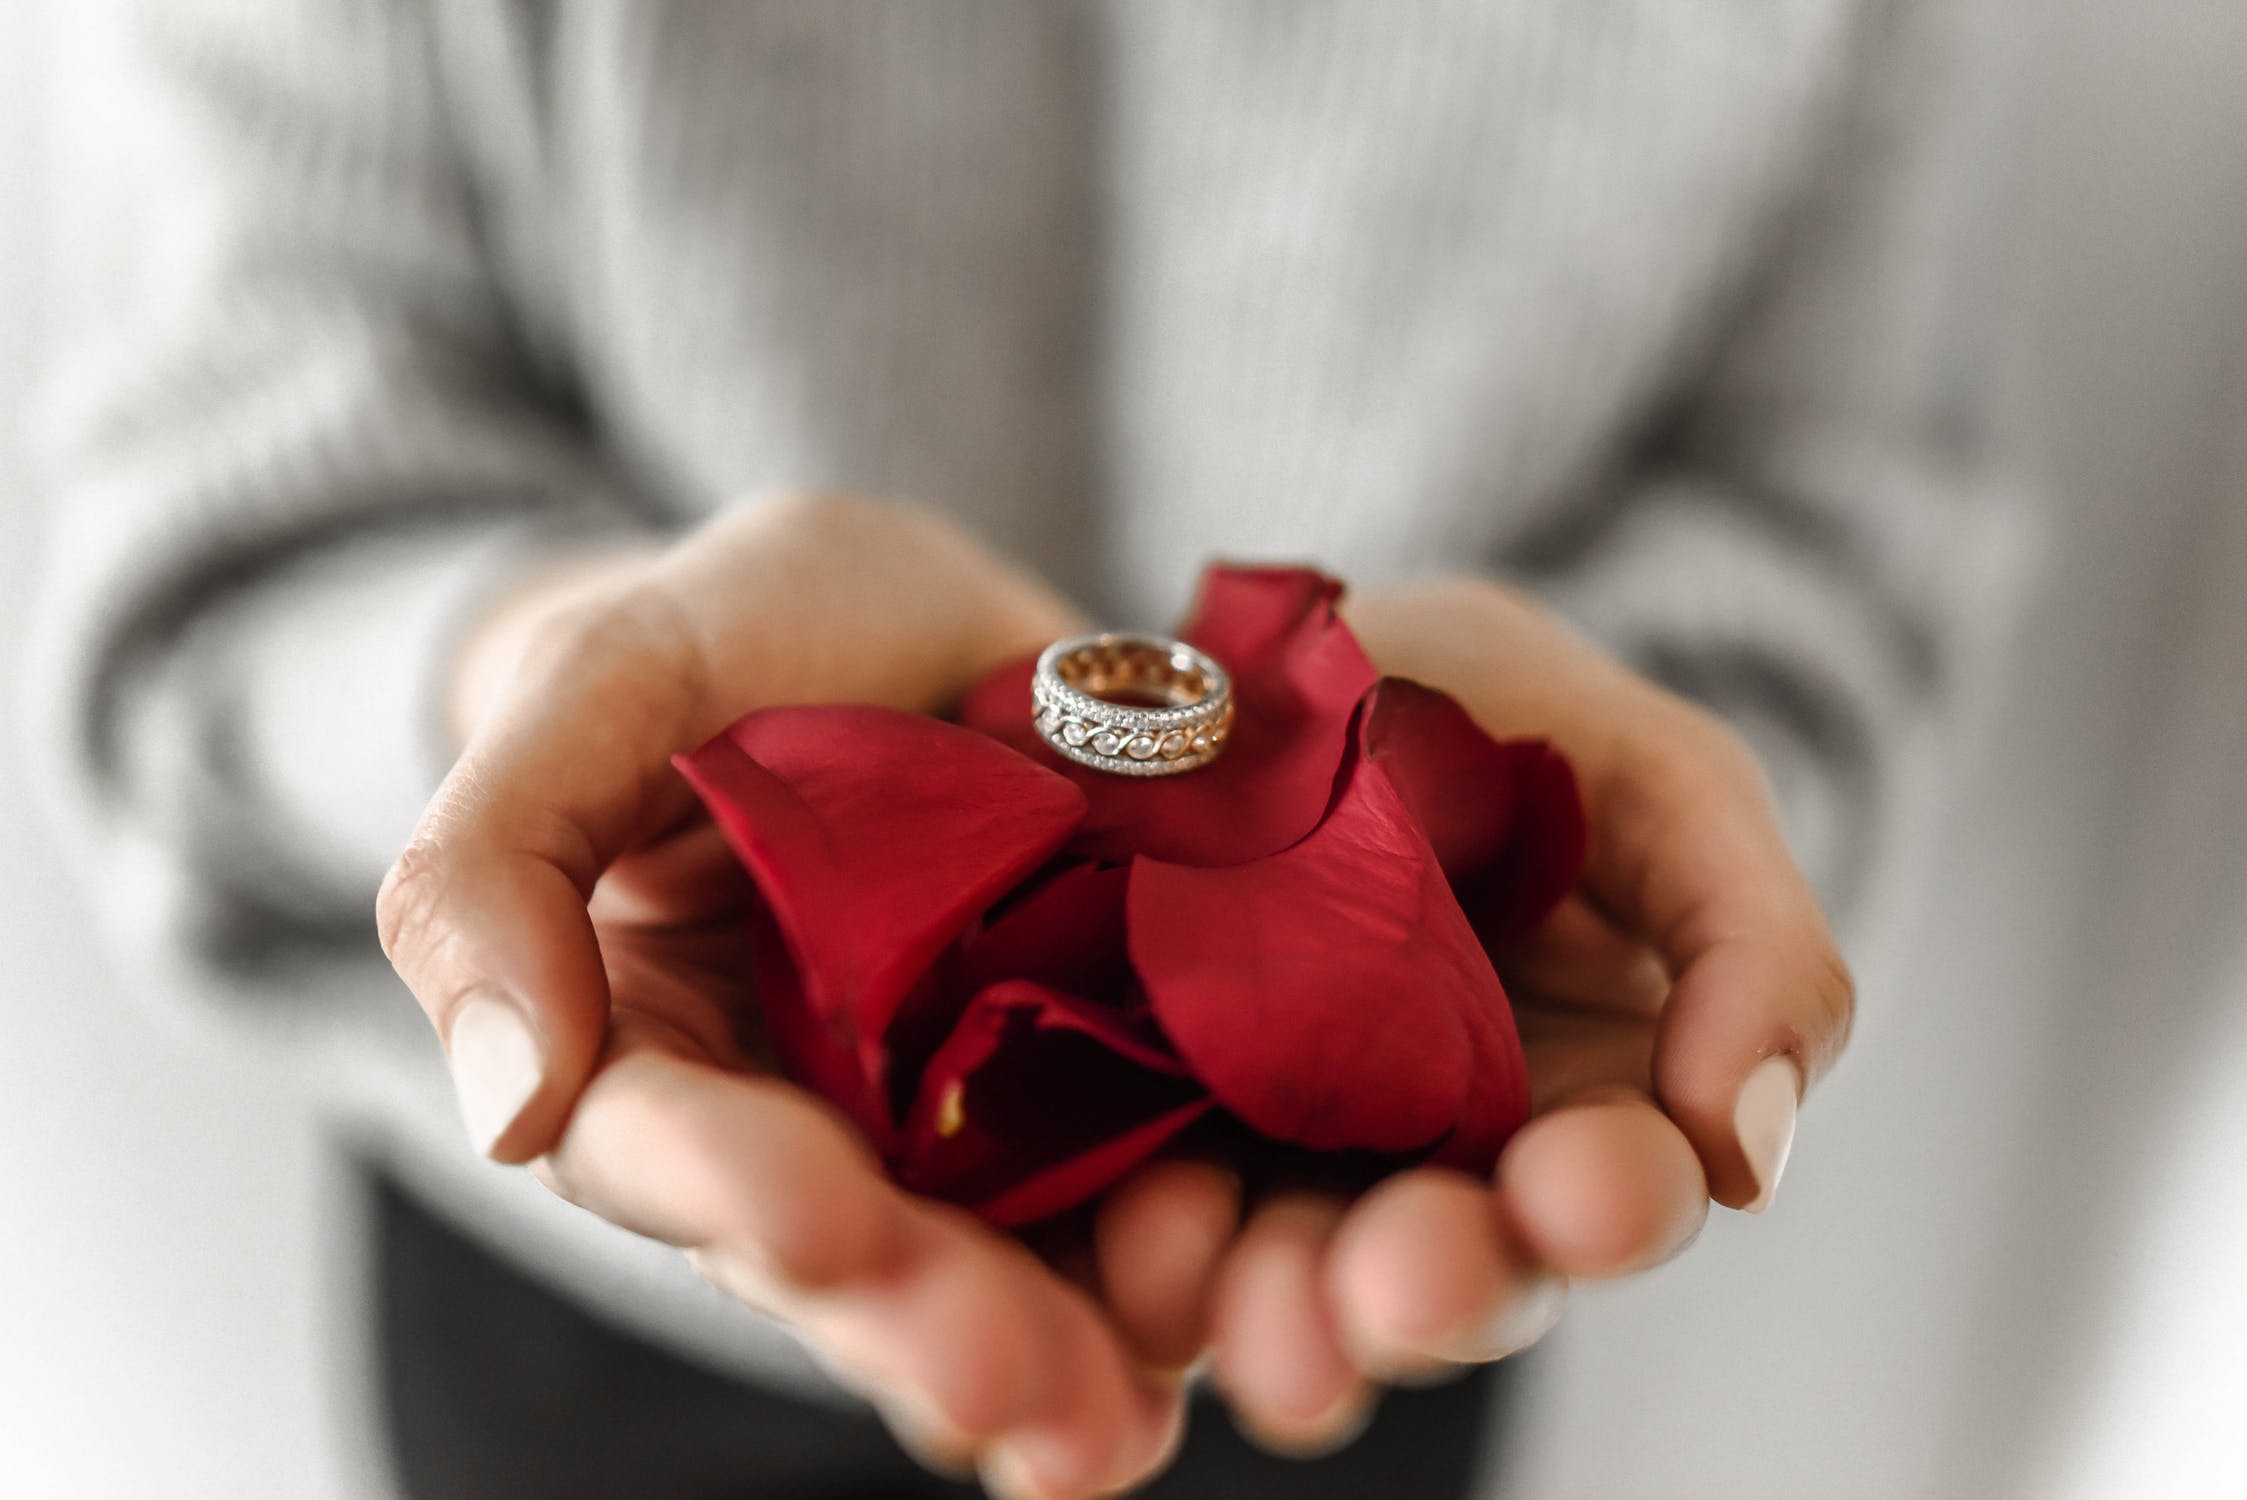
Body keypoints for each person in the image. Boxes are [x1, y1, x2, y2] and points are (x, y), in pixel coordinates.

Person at [27, 2, 2016, 1496]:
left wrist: (1625, 798)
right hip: (580, 1274)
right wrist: (550, 700)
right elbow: (237, 481)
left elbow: (1816, 516)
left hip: (1372, 1216)